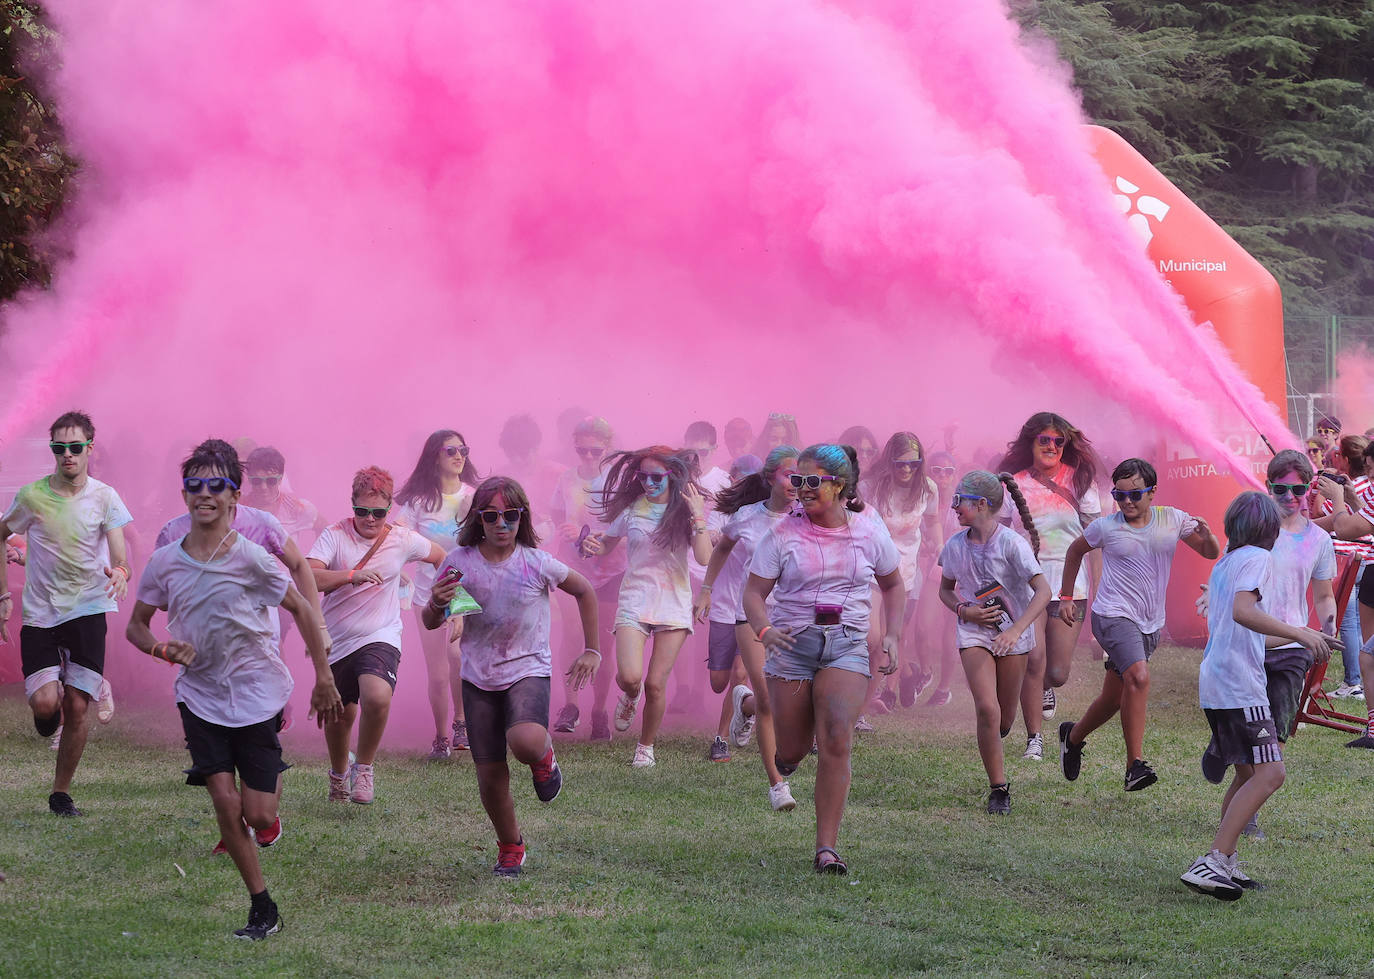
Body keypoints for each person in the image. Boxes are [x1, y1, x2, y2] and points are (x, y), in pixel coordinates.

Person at [126, 439, 343, 939]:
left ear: (233, 496)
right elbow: (137, 627)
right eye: (194, 485)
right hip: (199, 695)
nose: (204, 493)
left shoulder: (253, 557)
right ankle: (261, 906)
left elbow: (303, 608)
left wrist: (324, 677)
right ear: (184, 494)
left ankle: (267, 809)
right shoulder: (165, 560)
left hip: (256, 689)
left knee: (257, 812)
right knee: (226, 804)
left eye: (215, 485)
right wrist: (162, 649)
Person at [422, 477, 601, 876]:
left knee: (524, 740)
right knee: (489, 773)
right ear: (478, 520)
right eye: (491, 516)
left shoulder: (536, 562)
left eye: (510, 515)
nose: (501, 524)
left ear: (522, 517)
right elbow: (434, 617)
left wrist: (592, 649)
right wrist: (437, 606)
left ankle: (543, 757)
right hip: (477, 676)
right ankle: (510, 846)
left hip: (528, 668)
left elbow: (585, 590)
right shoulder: (460, 561)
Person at [744, 444, 904, 872]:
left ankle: (826, 849)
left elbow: (893, 584)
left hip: (847, 645)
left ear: (839, 485)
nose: (802, 489)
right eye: (797, 480)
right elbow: (754, 594)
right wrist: (764, 630)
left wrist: (891, 635)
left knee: (836, 740)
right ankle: (754, 706)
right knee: (792, 753)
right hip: (792, 650)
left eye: (812, 481)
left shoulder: (869, 531)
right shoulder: (781, 534)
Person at [1180, 491, 1335, 900]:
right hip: (1239, 686)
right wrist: (1298, 631)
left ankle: (1224, 860)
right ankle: (1212, 861)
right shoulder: (1258, 559)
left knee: (1248, 773)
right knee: (1272, 774)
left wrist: (1306, 635)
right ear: (1270, 531)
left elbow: (1237, 626)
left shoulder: (1227, 562)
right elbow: (1243, 612)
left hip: (1217, 682)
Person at [1055, 458, 1219, 791]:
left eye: (1135, 495)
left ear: (1152, 492)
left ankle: (1072, 738)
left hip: (1150, 623)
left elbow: (1209, 552)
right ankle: (1134, 767)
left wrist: (1209, 536)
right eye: (1119, 496)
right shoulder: (1106, 527)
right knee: (1139, 677)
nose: (1127, 502)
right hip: (1112, 615)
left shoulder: (1172, 519)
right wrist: (1067, 597)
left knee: (1115, 698)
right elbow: (1074, 552)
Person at [0, 411, 130, 817]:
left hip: (89, 609)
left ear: (90, 448)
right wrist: (3, 595)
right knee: (46, 705)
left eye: (75, 447)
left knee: (77, 706)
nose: (67, 455)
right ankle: (46, 715)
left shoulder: (106, 496)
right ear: (52, 450)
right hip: (41, 613)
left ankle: (61, 794)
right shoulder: (32, 495)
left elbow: (120, 553)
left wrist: (122, 572)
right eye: (59, 448)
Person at [309, 467, 446, 804]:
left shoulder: (401, 538)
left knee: (378, 696)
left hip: (381, 634)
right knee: (341, 716)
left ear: (388, 510)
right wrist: (350, 575)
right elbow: (309, 578)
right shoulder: (334, 535)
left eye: (378, 513)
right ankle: (339, 774)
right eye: (361, 511)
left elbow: (444, 558)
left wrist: (451, 605)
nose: (369, 519)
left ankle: (365, 769)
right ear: (351, 505)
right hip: (338, 639)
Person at [581, 446, 711, 768]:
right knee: (630, 676)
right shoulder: (631, 510)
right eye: (643, 476)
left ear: (671, 477)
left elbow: (705, 557)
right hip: (635, 598)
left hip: (673, 601)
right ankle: (629, 695)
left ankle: (645, 747)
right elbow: (606, 544)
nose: (649, 483)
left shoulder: (683, 510)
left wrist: (697, 514)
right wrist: (590, 545)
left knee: (656, 683)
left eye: (657, 477)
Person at [695, 446, 800, 809]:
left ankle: (745, 705)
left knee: (794, 700)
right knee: (771, 698)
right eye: (790, 474)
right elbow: (722, 549)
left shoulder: (807, 517)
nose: (796, 483)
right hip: (750, 616)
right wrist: (707, 589)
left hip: (795, 619)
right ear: (770, 477)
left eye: (802, 477)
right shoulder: (745, 516)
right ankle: (777, 786)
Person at [938, 471, 1048, 815]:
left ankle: (998, 733)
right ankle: (999, 789)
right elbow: (944, 589)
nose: (954, 508)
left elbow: (1043, 591)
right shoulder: (955, 545)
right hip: (973, 634)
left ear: (982, 505)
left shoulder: (1012, 543)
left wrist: (1016, 632)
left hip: (1012, 637)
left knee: (1002, 720)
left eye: (960, 501)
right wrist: (964, 611)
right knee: (987, 708)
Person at [997, 412, 1102, 758]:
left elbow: (1095, 543)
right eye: (1045, 440)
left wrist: (1099, 594)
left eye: (1059, 441)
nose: (1052, 447)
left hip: (1072, 587)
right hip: (1026, 586)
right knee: (1034, 659)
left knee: (1056, 672)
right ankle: (1034, 740)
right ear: (1031, 442)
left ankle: (1043, 688)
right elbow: (998, 538)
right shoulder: (1011, 483)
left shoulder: (1082, 482)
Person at [395, 429, 478, 758]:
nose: (459, 456)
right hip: (427, 595)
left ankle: (461, 722)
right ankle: (441, 738)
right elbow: (395, 534)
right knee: (438, 672)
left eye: (463, 449)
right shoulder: (420, 502)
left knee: (457, 656)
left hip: (464, 592)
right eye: (451, 450)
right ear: (435, 456)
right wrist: (398, 565)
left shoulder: (473, 496)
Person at [549, 416, 622, 740]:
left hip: (611, 571)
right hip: (573, 568)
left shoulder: (617, 482)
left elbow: (627, 524)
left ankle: (600, 711)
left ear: (607, 447)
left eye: (595, 450)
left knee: (604, 643)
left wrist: (602, 539)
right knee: (571, 634)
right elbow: (555, 512)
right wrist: (565, 529)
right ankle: (571, 705)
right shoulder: (566, 479)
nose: (589, 456)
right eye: (583, 450)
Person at [863, 432, 942, 709]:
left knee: (886, 643)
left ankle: (863, 708)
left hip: (904, 574)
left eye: (913, 463)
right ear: (889, 462)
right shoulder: (870, 487)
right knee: (872, 637)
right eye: (900, 463)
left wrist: (940, 545)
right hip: (869, 571)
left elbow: (932, 521)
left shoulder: (928, 488)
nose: (907, 469)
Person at [1311, 435, 1370, 699]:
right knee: (1366, 647)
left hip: (1359, 565)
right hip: (1367, 569)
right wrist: (1352, 498)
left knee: (1366, 653)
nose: (1368, 474)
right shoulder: (1366, 491)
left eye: (1371, 468)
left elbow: (1344, 528)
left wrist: (1335, 497)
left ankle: (1371, 726)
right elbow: (1365, 517)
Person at [917, 451, 960, 707]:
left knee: (950, 635)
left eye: (948, 471)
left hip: (957, 573)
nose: (943, 476)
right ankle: (925, 672)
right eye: (936, 470)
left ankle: (944, 689)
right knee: (922, 628)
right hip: (932, 572)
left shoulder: (960, 502)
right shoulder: (923, 500)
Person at [242, 446, 323, 541]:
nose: (264, 487)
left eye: (271, 481)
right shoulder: (239, 508)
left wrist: (317, 555)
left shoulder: (296, 507)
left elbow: (323, 527)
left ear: (280, 480)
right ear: (249, 479)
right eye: (257, 481)